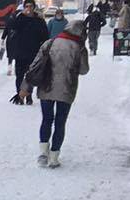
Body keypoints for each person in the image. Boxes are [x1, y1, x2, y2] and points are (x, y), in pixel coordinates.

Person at [27, 16, 90, 167]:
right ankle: (54, 158)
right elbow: (84, 70)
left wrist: (26, 86)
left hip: (46, 86)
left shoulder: (50, 43)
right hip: (67, 89)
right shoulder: (79, 47)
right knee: (60, 122)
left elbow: (35, 65)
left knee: (46, 119)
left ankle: (43, 153)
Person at [3, 1, 50, 104]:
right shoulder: (20, 18)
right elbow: (11, 26)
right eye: (26, 6)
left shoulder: (39, 21)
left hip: (33, 53)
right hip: (20, 52)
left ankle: (28, 95)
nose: (28, 8)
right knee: (19, 76)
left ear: (34, 8)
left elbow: (45, 36)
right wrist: (20, 16)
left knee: (30, 76)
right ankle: (19, 95)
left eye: (30, 6)